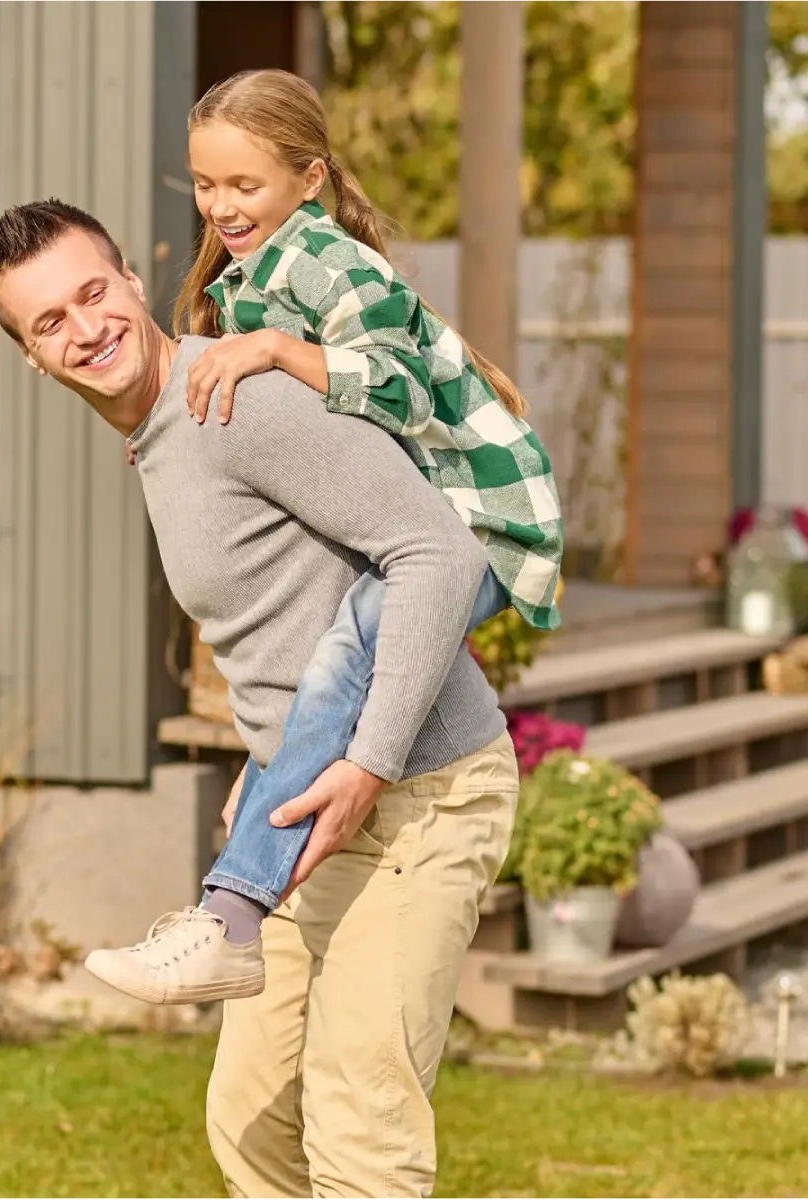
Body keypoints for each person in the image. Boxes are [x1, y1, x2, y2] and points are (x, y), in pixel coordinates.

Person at [0, 197, 520, 1197]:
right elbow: (295, 610)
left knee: (359, 1125)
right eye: (50, 321)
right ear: (30, 357)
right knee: (250, 1121)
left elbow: (438, 553)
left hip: (419, 795)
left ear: (132, 280)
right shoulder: (163, 434)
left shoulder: (237, 402)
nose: (85, 328)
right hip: (303, 808)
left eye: (93, 293)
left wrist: (368, 763)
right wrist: (264, 751)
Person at [112, 67, 562, 1001]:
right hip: (429, 519)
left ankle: (229, 916)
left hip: (482, 516)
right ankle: (233, 909)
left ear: (308, 179)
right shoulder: (249, 276)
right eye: (205, 184)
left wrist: (279, 349)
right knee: (336, 652)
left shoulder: (331, 265)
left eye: (245, 185)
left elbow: (400, 390)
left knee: (346, 651)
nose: (220, 206)